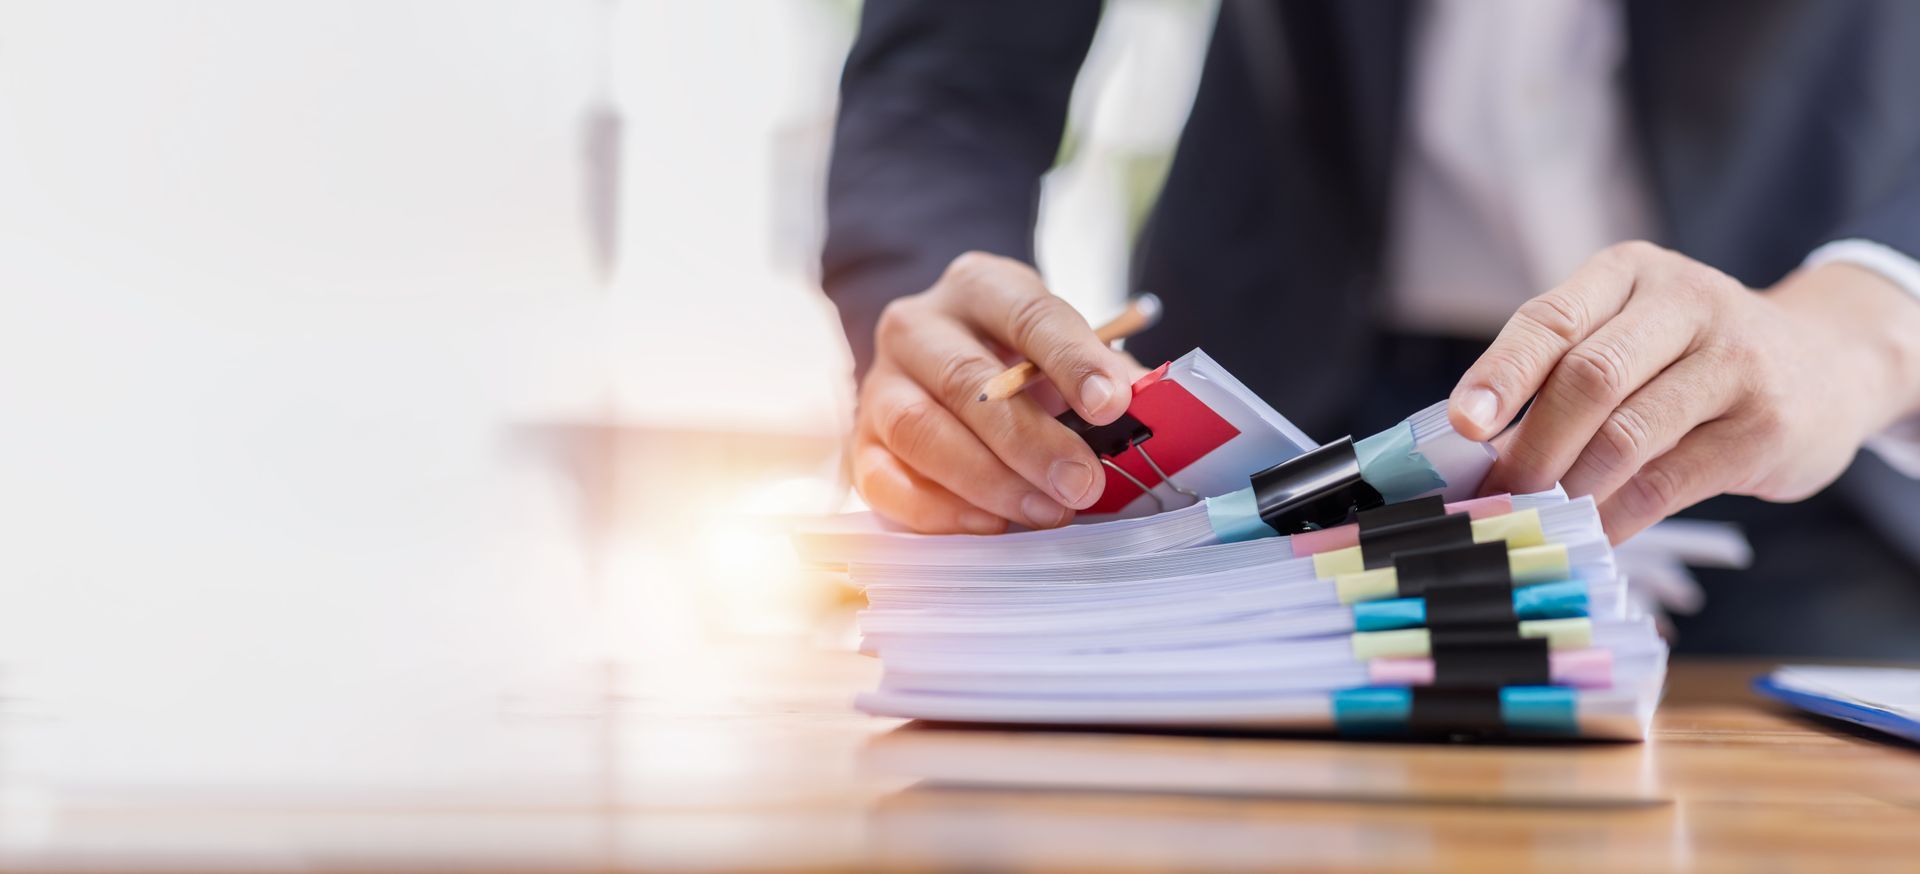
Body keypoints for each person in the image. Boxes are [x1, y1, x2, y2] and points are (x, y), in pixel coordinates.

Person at [817, 0, 1920, 652]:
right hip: (1282, 418)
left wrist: (1872, 320)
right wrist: (933, 337)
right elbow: (952, 70)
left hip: (1784, 421)